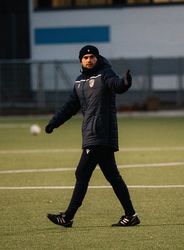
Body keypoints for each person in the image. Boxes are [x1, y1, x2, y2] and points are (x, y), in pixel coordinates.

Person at [45, 45, 140, 227]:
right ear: (81, 60)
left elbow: (116, 85)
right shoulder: (79, 81)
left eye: (92, 57)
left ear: (97, 58)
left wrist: (125, 83)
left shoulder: (105, 74)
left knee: (82, 173)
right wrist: (54, 123)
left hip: (100, 134)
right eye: (85, 57)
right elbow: (70, 106)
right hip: (92, 134)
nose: (89, 60)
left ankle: (68, 217)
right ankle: (131, 215)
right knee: (113, 176)